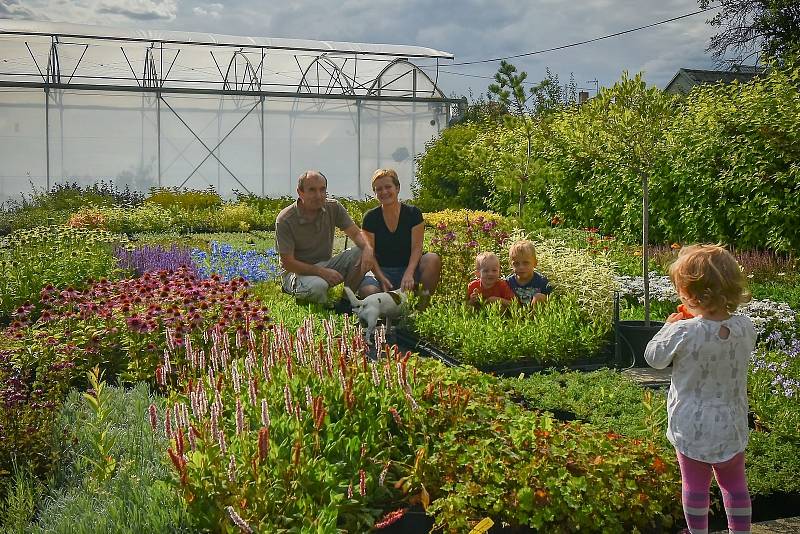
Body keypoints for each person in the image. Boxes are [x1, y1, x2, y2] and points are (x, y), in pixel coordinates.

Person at [644, 244, 756, 534]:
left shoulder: (684, 331)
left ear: (691, 295)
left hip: (691, 423)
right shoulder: (745, 327)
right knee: (734, 484)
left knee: (695, 485)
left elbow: (654, 359)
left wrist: (667, 327)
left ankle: (698, 531)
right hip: (731, 422)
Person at [275, 170, 379, 304]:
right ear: (300, 192)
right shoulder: (285, 219)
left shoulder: (333, 207)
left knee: (361, 251)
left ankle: (346, 301)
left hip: (326, 265)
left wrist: (368, 249)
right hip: (296, 272)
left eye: (322, 190)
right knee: (318, 287)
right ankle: (307, 297)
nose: (318, 195)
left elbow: (356, 233)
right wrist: (321, 272)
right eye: (312, 190)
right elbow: (288, 263)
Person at [360, 168, 441, 308]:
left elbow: (417, 247)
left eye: (388, 187)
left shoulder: (413, 214)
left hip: (408, 268)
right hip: (381, 270)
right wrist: (380, 277)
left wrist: (409, 273)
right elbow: (369, 253)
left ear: (397, 188)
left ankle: (421, 309)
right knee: (369, 292)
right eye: (379, 189)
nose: (384, 192)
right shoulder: (370, 218)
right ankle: (386, 318)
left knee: (432, 259)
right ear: (375, 193)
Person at [506, 239, 552, 307]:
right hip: (516, 313)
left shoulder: (542, 281)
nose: (521, 267)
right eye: (516, 263)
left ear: (535, 263)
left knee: (539, 297)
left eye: (526, 263)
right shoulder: (508, 282)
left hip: (536, 314)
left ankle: (530, 317)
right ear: (511, 265)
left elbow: (549, 302)